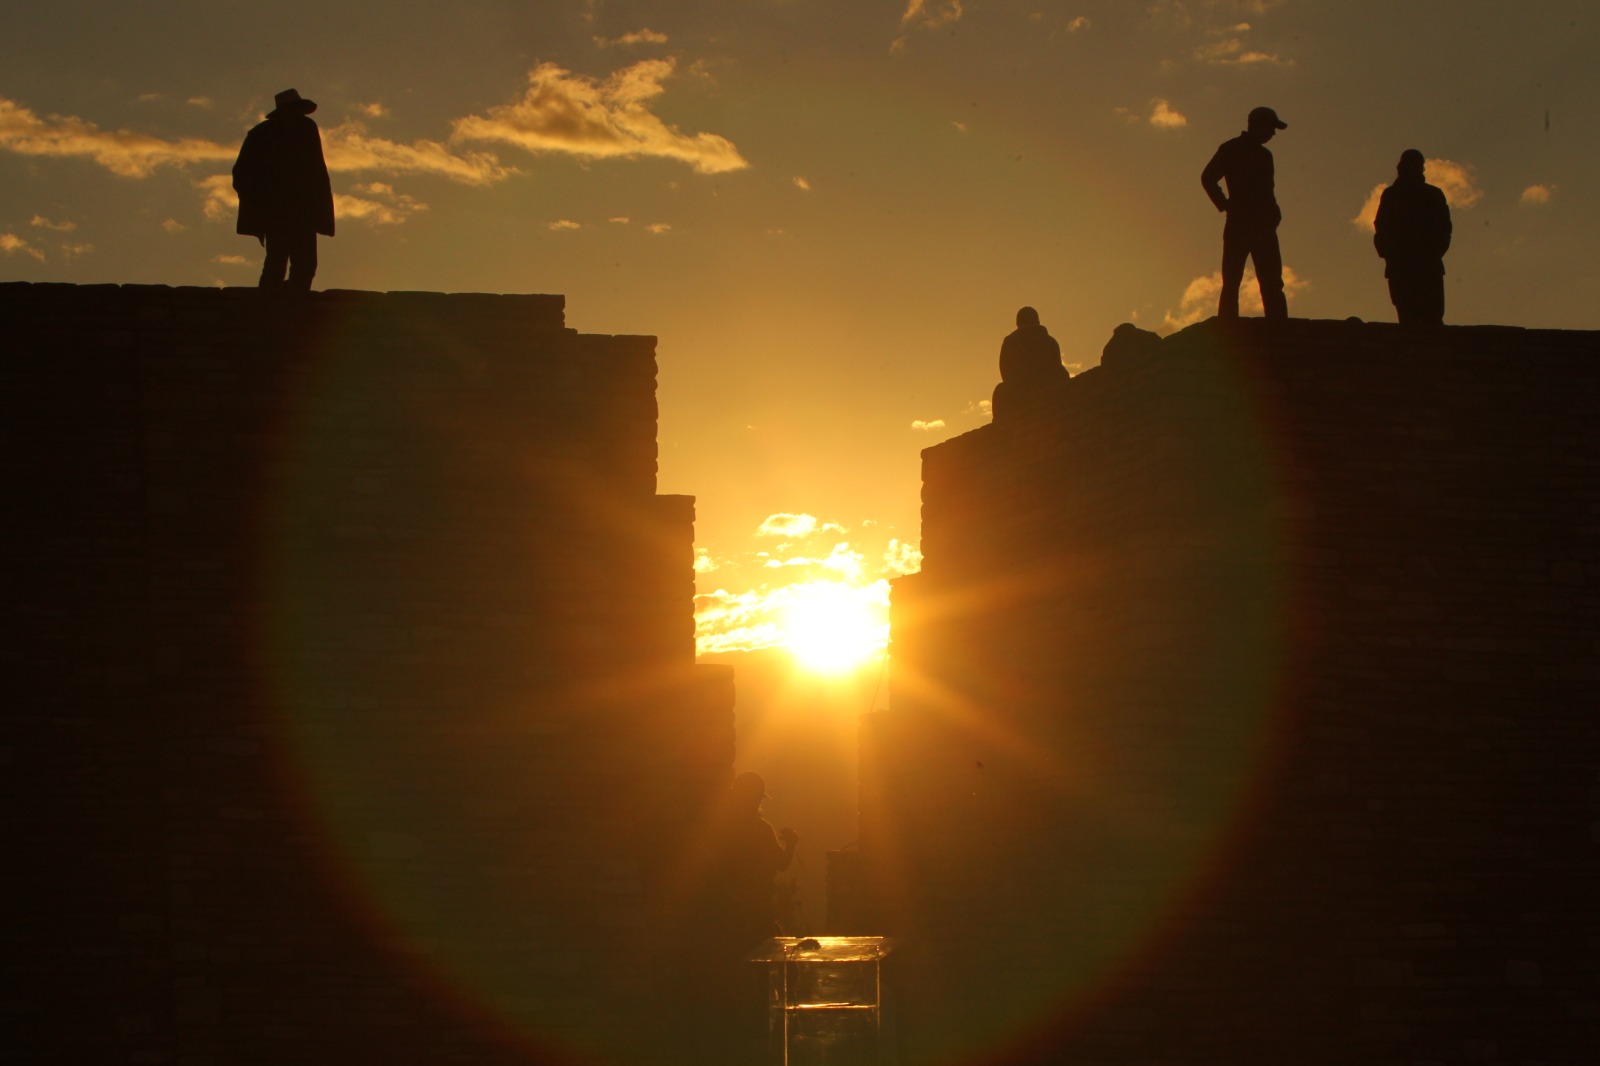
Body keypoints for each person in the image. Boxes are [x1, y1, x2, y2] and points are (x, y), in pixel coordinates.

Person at [232, 88, 334, 290]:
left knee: (295, 262)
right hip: (284, 209)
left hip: (295, 209)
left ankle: (286, 304)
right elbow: (243, 174)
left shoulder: (296, 130)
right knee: (282, 262)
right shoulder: (288, 131)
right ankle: (276, 305)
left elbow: (315, 172)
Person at [1201, 106, 1289, 320]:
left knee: (1272, 281)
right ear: (1256, 125)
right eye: (1270, 128)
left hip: (1264, 225)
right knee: (1232, 279)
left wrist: (1274, 212)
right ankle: (1228, 327)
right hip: (1239, 223)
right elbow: (1208, 177)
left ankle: (1278, 326)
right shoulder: (1231, 149)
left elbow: (1268, 190)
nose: (1272, 134)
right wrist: (1225, 204)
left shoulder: (1265, 155)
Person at [1373, 149, 1452, 326]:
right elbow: (1382, 228)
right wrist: (1390, 254)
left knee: (1430, 317)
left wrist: (1431, 254)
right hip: (1403, 266)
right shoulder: (1392, 195)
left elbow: (1444, 230)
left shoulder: (1432, 195)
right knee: (1407, 316)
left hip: (1425, 266)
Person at [991, 306, 1070, 422]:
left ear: (1018, 323)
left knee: (1001, 391)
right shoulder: (1050, 341)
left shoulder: (1010, 343)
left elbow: (1005, 372)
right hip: (1041, 386)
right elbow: (1057, 366)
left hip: (1021, 390)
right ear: (1037, 321)